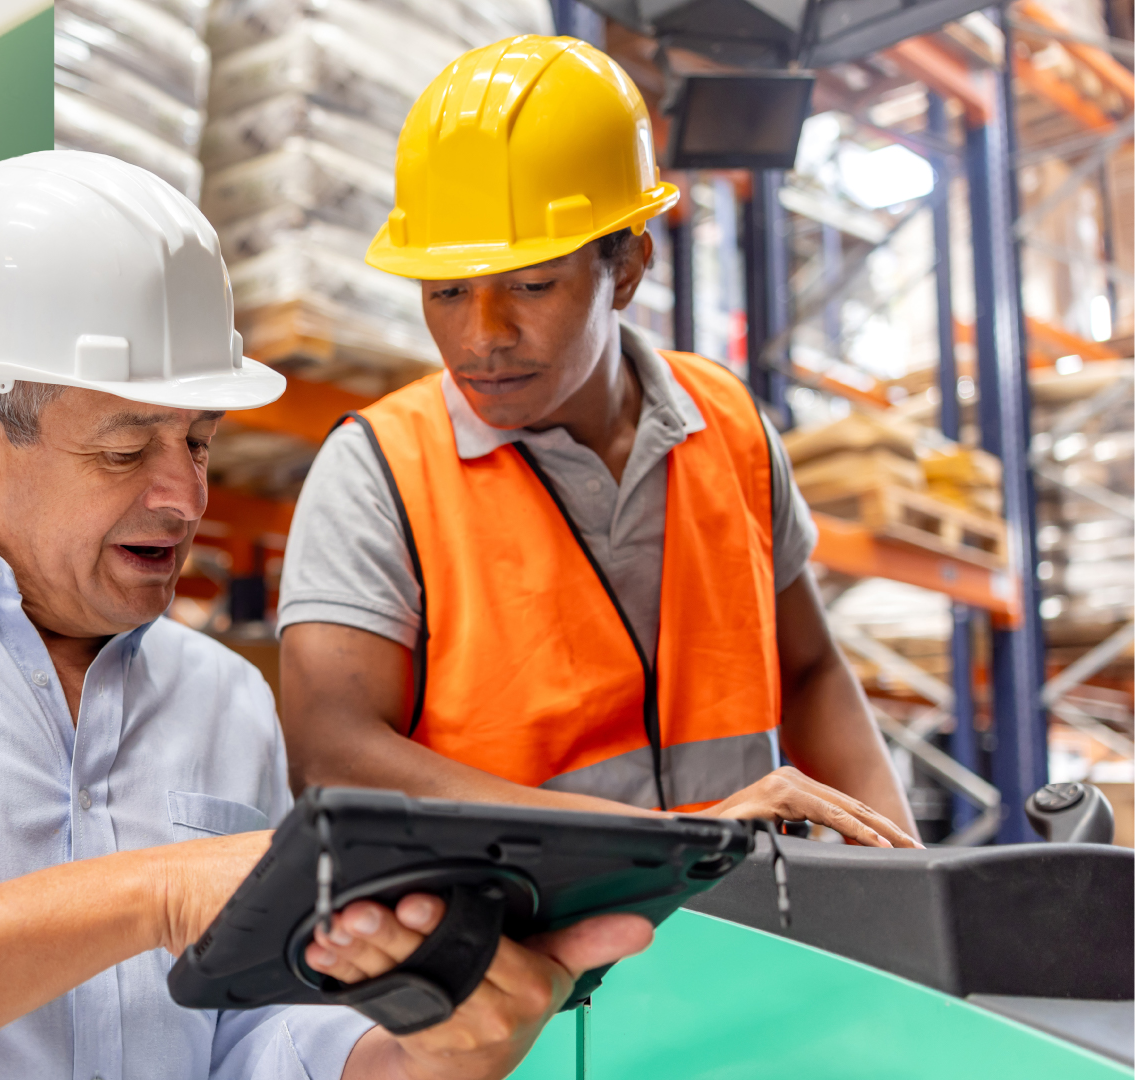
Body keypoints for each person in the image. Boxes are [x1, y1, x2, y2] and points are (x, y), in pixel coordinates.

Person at [0, 151, 654, 1080]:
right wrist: (152, 895)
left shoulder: (218, 701)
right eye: (126, 448)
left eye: (197, 443)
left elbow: (249, 1035)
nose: (182, 496)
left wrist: (414, 1058)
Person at [278, 37, 921, 848]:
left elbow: (810, 671)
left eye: (530, 285)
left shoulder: (730, 423)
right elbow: (334, 755)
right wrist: (664, 841)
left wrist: (902, 876)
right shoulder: (380, 470)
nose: (483, 337)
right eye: (445, 292)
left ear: (626, 269)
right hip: (508, 945)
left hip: (743, 935)